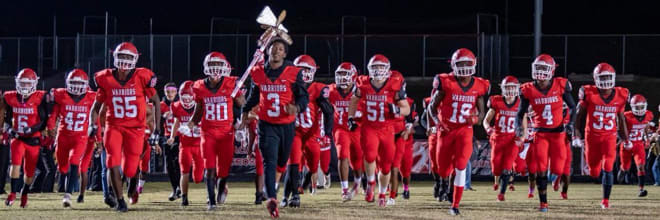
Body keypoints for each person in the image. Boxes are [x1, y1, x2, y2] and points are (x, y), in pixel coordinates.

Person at [89, 42, 162, 212]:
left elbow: (156, 101)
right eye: (121, 56)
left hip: (135, 129)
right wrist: (93, 126)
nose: (124, 60)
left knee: (130, 169)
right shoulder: (104, 78)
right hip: (113, 126)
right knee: (112, 162)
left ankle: (132, 185)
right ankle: (120, 200)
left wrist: (157, 129)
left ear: (135, 59)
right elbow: (95, 107)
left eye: (128, 57)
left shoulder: (142, 76)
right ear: (115, 57)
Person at [240, 38, 309, 218]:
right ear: (268, 51)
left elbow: (303, 97)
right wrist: (245, 110)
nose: (276, 51)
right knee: (269, 162)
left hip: (286, 125)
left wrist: (297, 107)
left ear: (284, 54)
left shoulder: (293, 72)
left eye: (280, 49)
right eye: (273, 48)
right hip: (266, 124)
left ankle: (273, 188)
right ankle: (271, 198)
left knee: (281, 162)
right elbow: (254, 95)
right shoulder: (259, 72)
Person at [429, 48, 489, 215]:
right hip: (446, 130)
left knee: (461, 164)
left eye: (466, 63)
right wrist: (438, 122)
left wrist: (476, 119)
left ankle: (455, 205)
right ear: (453, 65)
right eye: (460, 64)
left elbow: (481, 112)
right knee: (443, 169)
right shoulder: (445, 81)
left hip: (464, 129)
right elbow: (431, 108)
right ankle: (443, 184)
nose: (463, 67)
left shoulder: (480, 85)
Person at [514, 54, 576, 212]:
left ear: (552, 70)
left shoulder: (561, 85)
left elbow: (573, 107)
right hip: (540, 133)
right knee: (540, 169)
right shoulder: (527, 89)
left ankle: (556, 181)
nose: (540, 72)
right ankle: (543, 203)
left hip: (558, 133)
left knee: (558, 169)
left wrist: (571, 125)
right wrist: (519, 129)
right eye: (538, 68)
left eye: (544, 68)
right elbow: (520, 113)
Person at [347, 54, 411, 207]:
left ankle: (382, 193)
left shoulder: (394, 84)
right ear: (369, 69)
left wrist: (395, 109)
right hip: (369, 127)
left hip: (387, 129)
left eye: (381, 67)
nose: (378, 70)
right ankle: (370, 184)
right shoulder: (362, 83)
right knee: (369, 156)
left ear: (388, 69)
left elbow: (406, 109)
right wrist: (350, 117)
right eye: (375, 67)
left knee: (387, 165)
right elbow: (354, 100)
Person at [574, 62, 629, 209]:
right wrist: (576, 135)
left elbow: (621, 118)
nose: (605, 81)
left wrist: (625, 138)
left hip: (609, 137)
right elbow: (578, 116)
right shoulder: (589, 93)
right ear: (596, 79)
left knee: (608, 166)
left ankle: (605, 200)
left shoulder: (621, 94)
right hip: (591, 137)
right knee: (593, 171)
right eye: (602, 78)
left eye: (607, 77)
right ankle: (596, 175)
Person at [46, 69, 96, 207]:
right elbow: (54, 114)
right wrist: (50, 126)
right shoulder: (61, 95)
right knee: (62, 167)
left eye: (79, 83)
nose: (76, 85)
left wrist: (96, 131)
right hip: (63, 136)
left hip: (80, 136)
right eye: (73, 82)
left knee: (74, 161)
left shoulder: (91, 97)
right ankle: (65, 184)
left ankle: (68, 195)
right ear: (67, 83)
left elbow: (98, 112)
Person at [1, 68, 49, 208]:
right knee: (15, 164)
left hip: (33, 139)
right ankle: (13, 193)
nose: (25, 86)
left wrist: (32, 129)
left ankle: (24, 193)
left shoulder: (40, 97)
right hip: (18, 138)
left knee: (29, 172)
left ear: (34, 84)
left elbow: (43, 120)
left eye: (28, 84)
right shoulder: (10, 97)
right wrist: (10, 129)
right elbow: (7, 119)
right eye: (22, 83)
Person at [482, 75, 521, 201]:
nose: (510, 91)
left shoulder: (521, 103)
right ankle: (497, 182)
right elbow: (486, 120)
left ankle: (502, 193)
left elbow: (526, 120)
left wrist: (524, 134)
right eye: (507, 87)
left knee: (507, 166)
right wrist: (488, 128)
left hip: (512, 139)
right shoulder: (496, 101)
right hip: (498, 138)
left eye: (512, 88)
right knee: (496, 167)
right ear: (503, 89)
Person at [329, 62, 364, 202]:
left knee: (357, 160)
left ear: (354, 76)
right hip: (340, 129)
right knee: (342, 155)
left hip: (357, 129)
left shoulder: (361, 91)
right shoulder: (331, 91)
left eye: (346, 74)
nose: (342, 78)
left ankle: (357, 181)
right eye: (340, 74)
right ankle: (344, 189)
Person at [167, 80, 202, 206]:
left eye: (189, 97)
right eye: (184, 97)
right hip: (185, 144)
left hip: (199, 145)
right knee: (184, 171)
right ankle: (184, 198)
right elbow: (176, 122)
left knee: (198, 177)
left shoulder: (201, 105)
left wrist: (200, 130)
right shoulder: (176, 106)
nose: (186, 100)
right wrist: (172, 136)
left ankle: (211, 194)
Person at [620, 94, 652, 197]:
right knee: (626, 167)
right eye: (637, 107)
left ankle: (641, 190)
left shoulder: (648, 115)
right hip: (627, 144)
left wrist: (647, 138)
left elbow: (646, 126)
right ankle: (622, 169)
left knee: (641, 167)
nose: (639, 109)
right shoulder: (627, 116)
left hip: (638, 144)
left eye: (641, 107)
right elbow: (619, 130)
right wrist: (625, 140)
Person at [389, 97, 415, 205]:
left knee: (405, 170)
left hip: (402, 138)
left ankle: (405, 188)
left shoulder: (409, 102)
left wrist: (407, 130)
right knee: (389, 168)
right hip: (386, 136)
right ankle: (391, 193)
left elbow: (412, 123)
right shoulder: (382, 98)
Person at [160, 82, 181, 201]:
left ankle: (179, 188)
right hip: (167, 137)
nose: (170, 94)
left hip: (179, 136)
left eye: (172, 91)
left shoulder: (180, 104)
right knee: (169, 165)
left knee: (178, 162)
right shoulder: (162, 105)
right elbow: (157, 121)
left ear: (176, 92)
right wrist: (163, 116)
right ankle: (175, 189)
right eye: (168, 91)